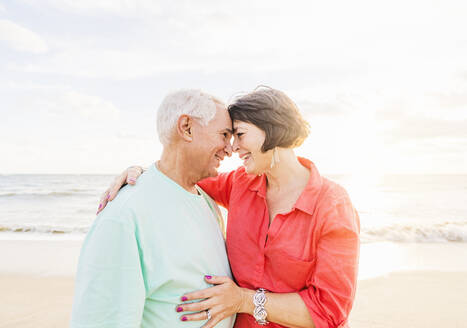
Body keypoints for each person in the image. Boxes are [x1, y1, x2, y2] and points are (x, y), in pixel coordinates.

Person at [100, 86, 360, 328]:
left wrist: (244, 300)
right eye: (229, 136)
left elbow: (329, 309)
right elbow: (181, 170)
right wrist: (141, 173)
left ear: (273, 129)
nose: (233, 147)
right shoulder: (240, 183)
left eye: (240, 135)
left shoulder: (333, 206)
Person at [70, 89, 236, 328]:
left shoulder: (207, 202)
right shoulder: (124, 215)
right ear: (186, 127)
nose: (229, 149)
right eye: (224, 135)